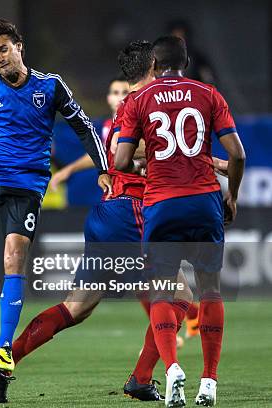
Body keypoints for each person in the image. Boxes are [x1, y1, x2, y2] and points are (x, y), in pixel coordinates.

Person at [0, 40, 201, 404]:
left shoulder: (124, 108)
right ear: (155, 67)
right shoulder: (150, 103)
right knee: (180, 294)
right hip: (132, 212)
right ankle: (141, 378)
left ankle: (4, 363)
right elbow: (126, 154)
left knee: (78, 305)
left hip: (107, 214)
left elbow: (115, 148)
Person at [0, 15, 109, 392]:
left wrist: (102, 168)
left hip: (26, 187)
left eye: (3, 49)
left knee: (13, 257)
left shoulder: (50, 87)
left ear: (19, 47)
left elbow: (84, 126)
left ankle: (4, 345)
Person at [115, 36, 245, 407]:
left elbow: (121, 161)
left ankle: (171, 369)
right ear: (185, 63)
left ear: (153, 65)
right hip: (204, 201)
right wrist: (231, 194)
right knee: (210, 291)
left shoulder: (138, 100)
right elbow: (237, 154)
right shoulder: (208, 94)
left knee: (161, 291)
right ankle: (210, 382)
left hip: (161, 205)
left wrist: (145, 160)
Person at [49, 76, 128, 191]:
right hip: (117, 192)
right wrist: (69, 170)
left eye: (125, 92)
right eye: (115, 93)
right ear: (108, 98)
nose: (120, 97)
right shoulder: (108, 125)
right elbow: (102, 153)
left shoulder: (137, 124)